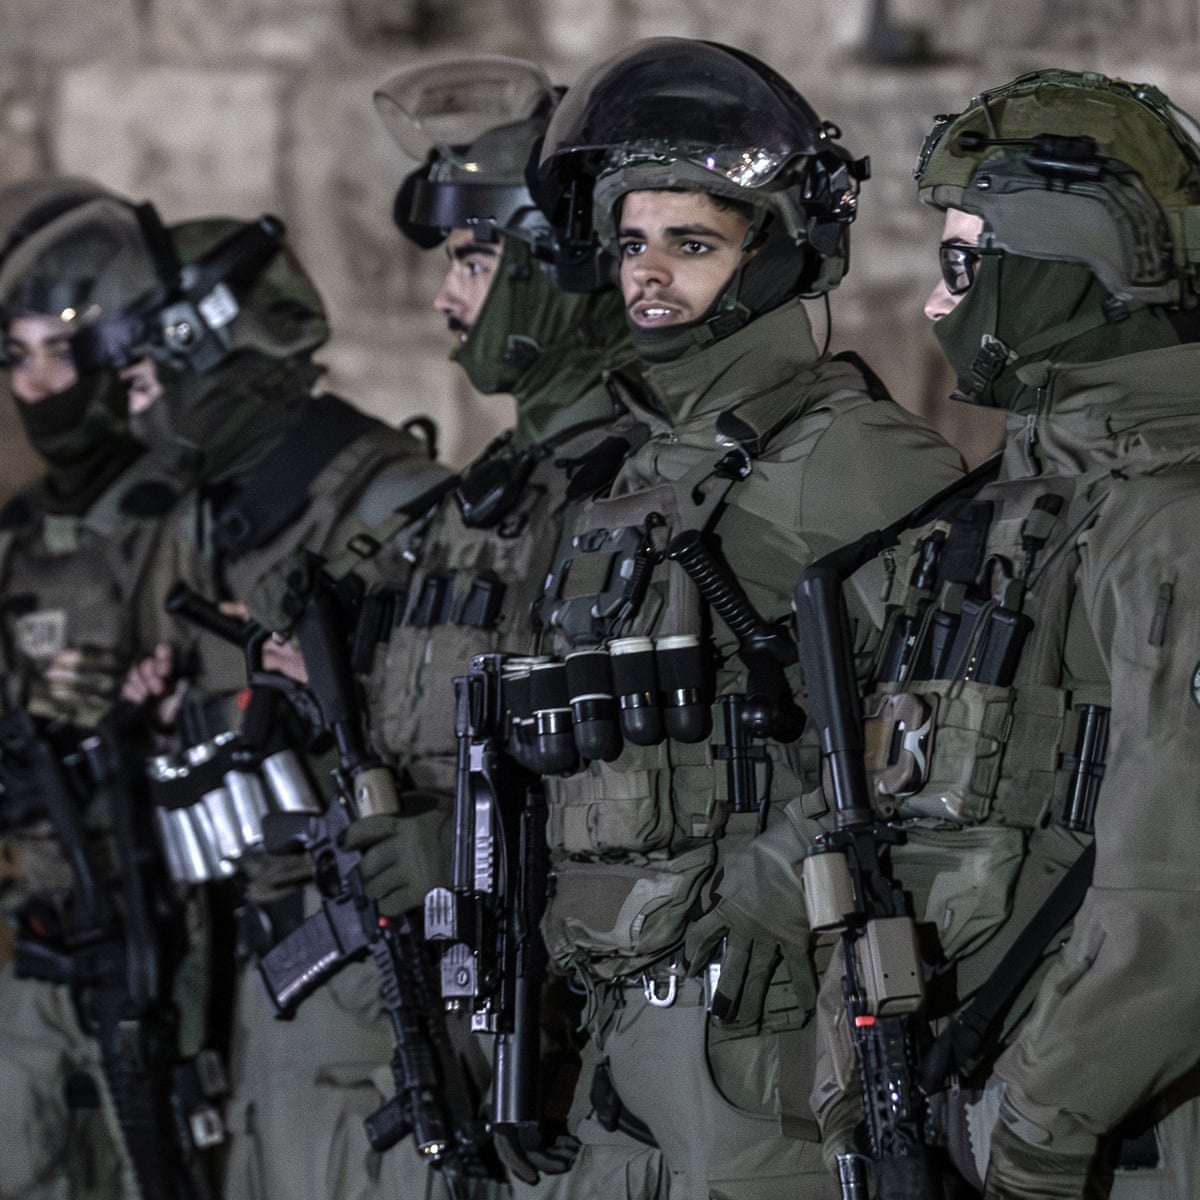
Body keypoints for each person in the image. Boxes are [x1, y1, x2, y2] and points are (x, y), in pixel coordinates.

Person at [519, 37, 965, 1200]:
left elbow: (950, 731)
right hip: (615, 1023)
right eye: (632, 243)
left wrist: (768, 890)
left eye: (692, 243)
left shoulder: (856, 460)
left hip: (761, 1031)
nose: (650, 275)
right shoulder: (632, 466)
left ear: (775, 254)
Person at [810, 68, 1200, 1200]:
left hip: (1109, 1147)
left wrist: (1034, 1128)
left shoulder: (1170, 525)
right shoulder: (1020, 504)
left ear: (1067, 264)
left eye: (965, 265)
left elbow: (1178, 892)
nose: (939, 309)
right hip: (968, 1116)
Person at [33, 192, 455, 1200]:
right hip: (267, 980)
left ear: (204, 343)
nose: (130, 400)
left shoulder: (390, 503)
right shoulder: (220, 520)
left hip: (378, 994)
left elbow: (457, 740)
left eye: (141, 373)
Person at [352, 54, 638, 1191]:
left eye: (474, 260)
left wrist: (455, 863)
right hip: (458, 1019)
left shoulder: (625, 485)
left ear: (556, 263)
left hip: (566, 1044)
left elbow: (641, 794)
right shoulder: (498, 486)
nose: (446, 297)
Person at [0, 178, 208, 1200]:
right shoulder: (16, 537)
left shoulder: (184, 514)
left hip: (168, 947)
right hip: (37, 948)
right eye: (17, 355)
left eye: (60, 352)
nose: (37, 384)